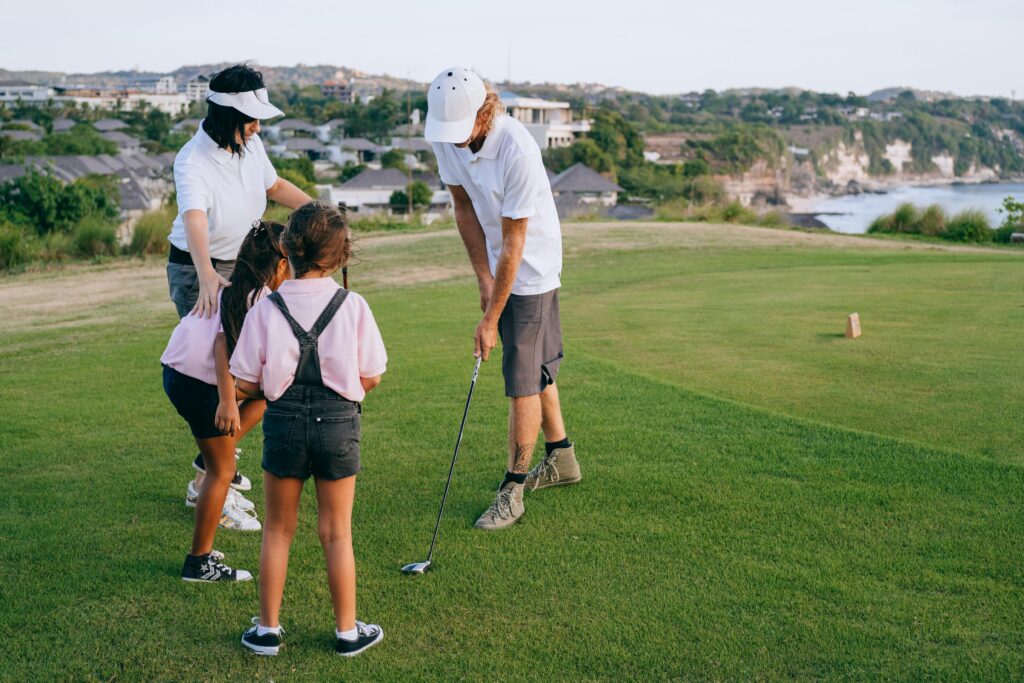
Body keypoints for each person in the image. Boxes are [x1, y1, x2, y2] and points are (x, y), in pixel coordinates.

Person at [424, 67, 581, 531]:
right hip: (499, 262)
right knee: (531, 364)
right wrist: (482, 278)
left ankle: (512, 491)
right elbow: (463, 207)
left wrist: (490, 318)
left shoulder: (517, 149)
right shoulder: (447, 140)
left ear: (484, 112)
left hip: (531, 268)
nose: (452, 141)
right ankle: (563, 457)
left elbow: (516, 243)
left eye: (460, 130)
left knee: (521, 378)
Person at [231, 202, 387, 657]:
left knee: (278, 530)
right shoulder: (353, 305)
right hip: (339, 422)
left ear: (285, 248)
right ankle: (346, 632)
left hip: (282, 422)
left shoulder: (266, 308)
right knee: (337, 532)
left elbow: (243, 380)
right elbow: (372, 375)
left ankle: (266, 631)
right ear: (341, 258)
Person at [166, 63, 312, 510]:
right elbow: (194, 218)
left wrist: (319, 212)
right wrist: (208, 272)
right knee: (221, 376)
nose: (257, 126)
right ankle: (212, 480)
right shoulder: (192, 160)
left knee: (259, 374)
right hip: (201, 270)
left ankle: (213, 463)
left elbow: (275, 185)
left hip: (246, 262)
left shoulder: (249, 143)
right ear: (227, 115)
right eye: (250, 119)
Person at [162, 220, 290, 582]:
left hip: (176, 371)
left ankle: (214, 452)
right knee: (220, 472)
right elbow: (222, 345)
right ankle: (199, 563)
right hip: (201, 382)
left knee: (268, 392)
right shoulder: (259, 297)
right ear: (280, 265)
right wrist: (227, 401)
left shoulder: (236, 284)